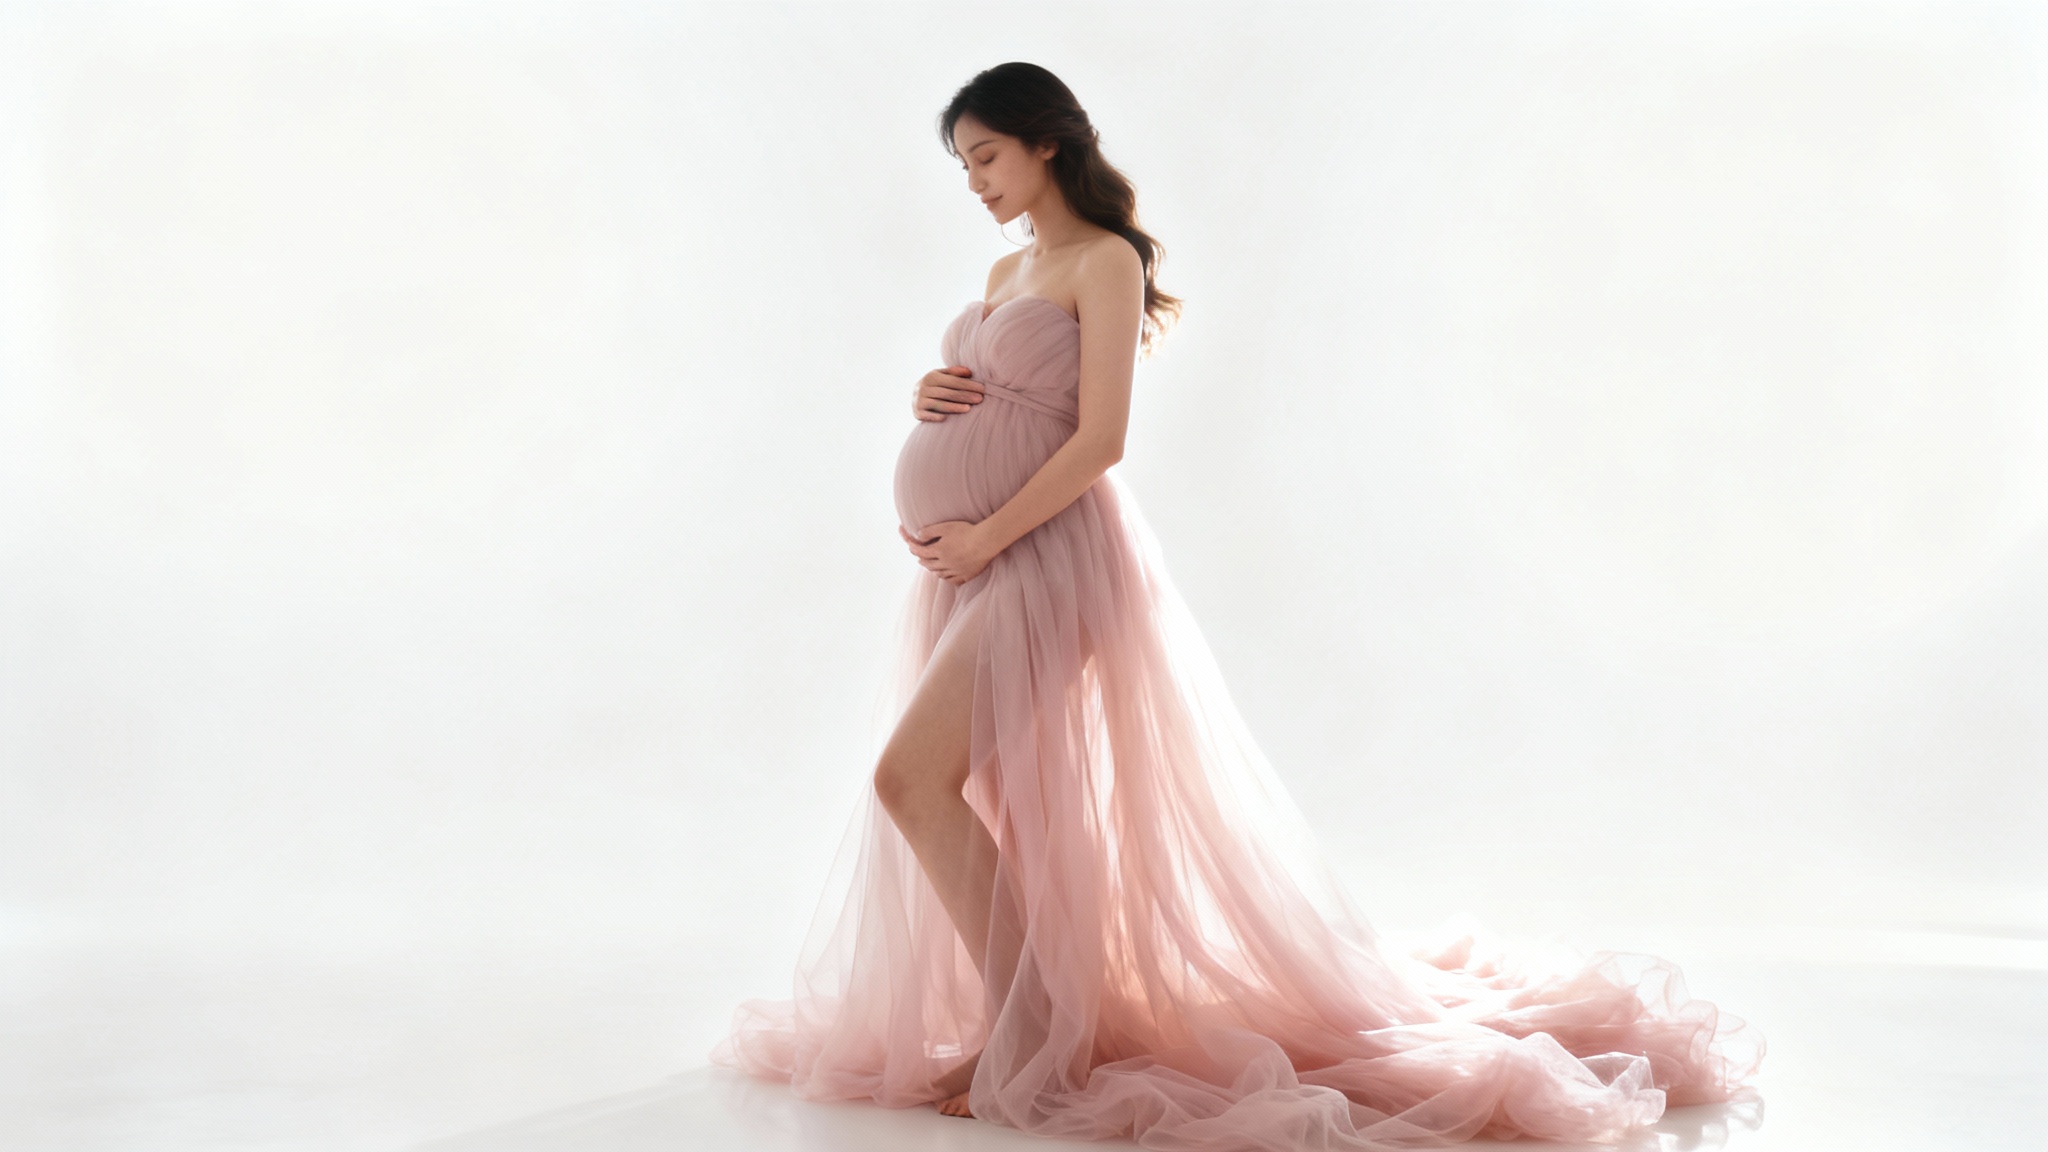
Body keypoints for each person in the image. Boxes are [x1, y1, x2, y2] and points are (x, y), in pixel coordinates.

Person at [712, 61, 1763, 1150]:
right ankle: (1028, 1022)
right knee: (993, 796)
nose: (973, 181)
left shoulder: (1105, 259)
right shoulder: (1004, 267)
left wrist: (985, 530)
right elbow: (997, 397)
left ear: (1045, 143)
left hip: (1048, 558)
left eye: (985, 156)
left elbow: (1100, 438)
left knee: (911, 777)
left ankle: (1030, 1035)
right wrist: (930, 396)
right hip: (977, 568)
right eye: (962, 164)